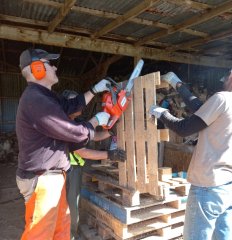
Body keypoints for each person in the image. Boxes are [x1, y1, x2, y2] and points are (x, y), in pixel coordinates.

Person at [16, 48, 112, 240]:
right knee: (40, 234)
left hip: (53, 177)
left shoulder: (46, 97)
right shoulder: (36, 100)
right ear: (37, 69)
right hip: (42, 178)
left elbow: (70, 106)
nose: (55, 67)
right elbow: (72, 131)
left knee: (61, 230)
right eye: (49, 64)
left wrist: (94, 90)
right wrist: (94, 121)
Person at [150, 71, 232, 240]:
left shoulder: (222, 98)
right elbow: (202, 110)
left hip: (207, 184)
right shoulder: (225, 103)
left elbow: (184, 128)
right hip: (227, 185)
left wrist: (161, 113)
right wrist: (178, 85)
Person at [63, 90, 126, 240]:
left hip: (75, 169)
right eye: (74, 102)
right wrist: (109, 155)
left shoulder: (76, 123)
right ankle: (69, 235)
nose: (79, 106)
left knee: (72, 203)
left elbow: (94, 136)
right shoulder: (65, 124)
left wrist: (110, 133)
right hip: (65, 171)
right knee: (68, 205)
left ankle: (69, 234)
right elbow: (82, 152)